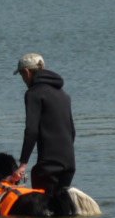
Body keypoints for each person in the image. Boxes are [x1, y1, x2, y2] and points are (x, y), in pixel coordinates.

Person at [11, 53, 76, 199]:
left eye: (22, 75)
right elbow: (72, 132)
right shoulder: (63, 95)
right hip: (69, 165)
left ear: (27, 72)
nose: (23, 80)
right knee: (59, 211)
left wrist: (22, 165)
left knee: (42, 213)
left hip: (48, 168)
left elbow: (31, 131)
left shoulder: (33, 94)